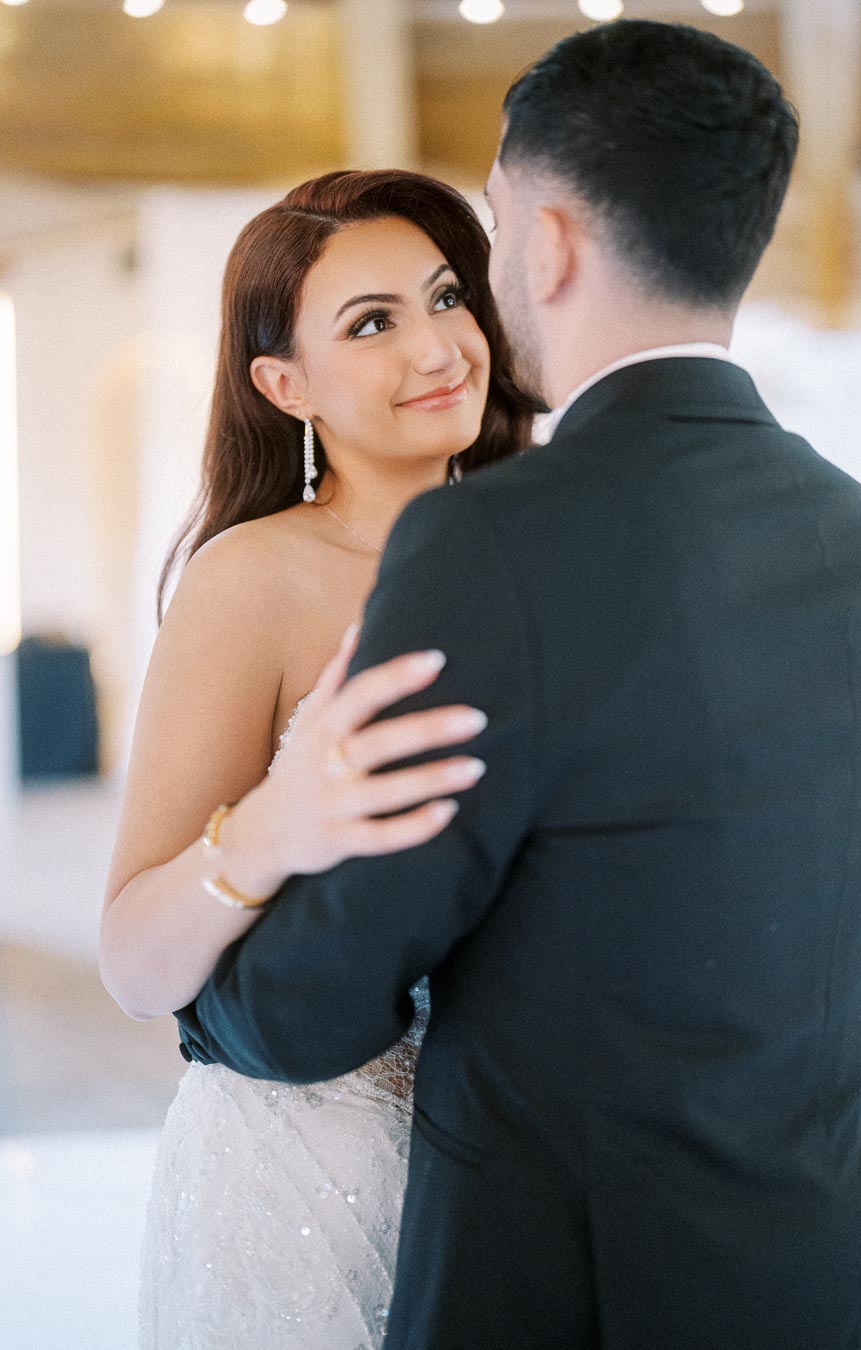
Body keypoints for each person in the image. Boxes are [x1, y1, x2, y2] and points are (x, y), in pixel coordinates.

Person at [175, 20, 861, 1350]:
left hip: (582, 1294)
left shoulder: (496, 542)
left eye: (492, 238)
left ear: (551, 244)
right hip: (836, 1274)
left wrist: (209, 1000)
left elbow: (330, 985)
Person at [99, 168, 538, 1347]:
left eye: (448, 298)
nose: (441, 347)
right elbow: (135, 965)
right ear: (285, 385)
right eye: (373, 324)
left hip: (512, 1179)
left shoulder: (547, 557)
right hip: (304, 1176)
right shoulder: (256, 580)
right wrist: (273, 826)